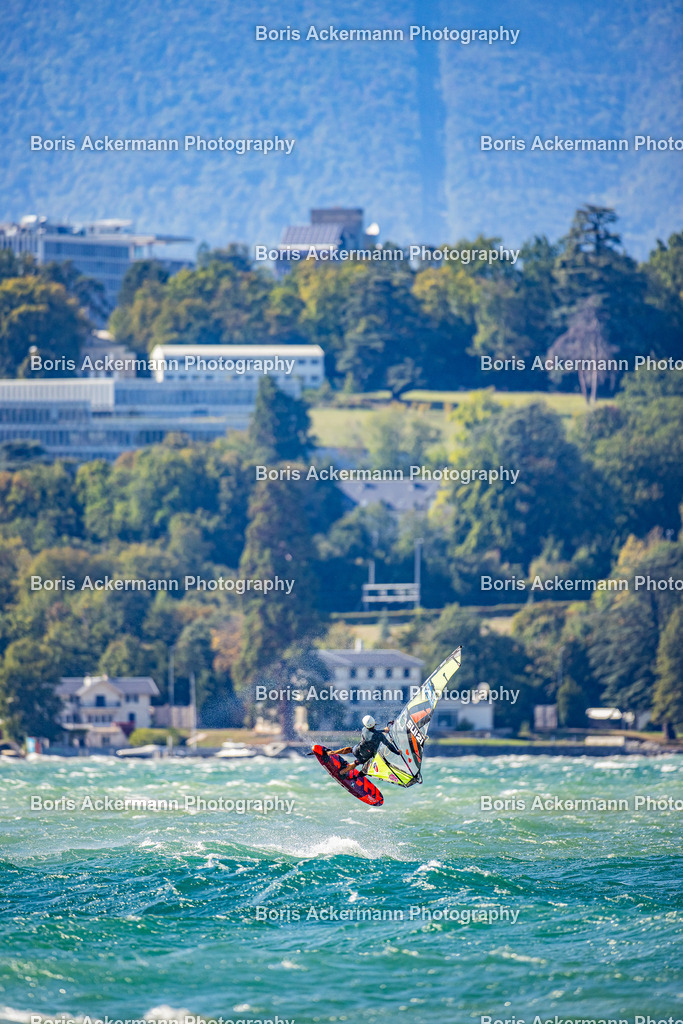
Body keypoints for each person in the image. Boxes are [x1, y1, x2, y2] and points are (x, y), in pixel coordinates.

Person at [332, 714, 401, 778]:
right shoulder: (380, 736)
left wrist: (383, 730)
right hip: (365, 756)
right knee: (357, 763)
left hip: (357, 749)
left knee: (350, 749)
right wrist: (397, 752)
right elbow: (389, 745)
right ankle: (342, 772)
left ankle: (333, 752)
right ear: (374, 723)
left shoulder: (364, 729)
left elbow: (372, 732)